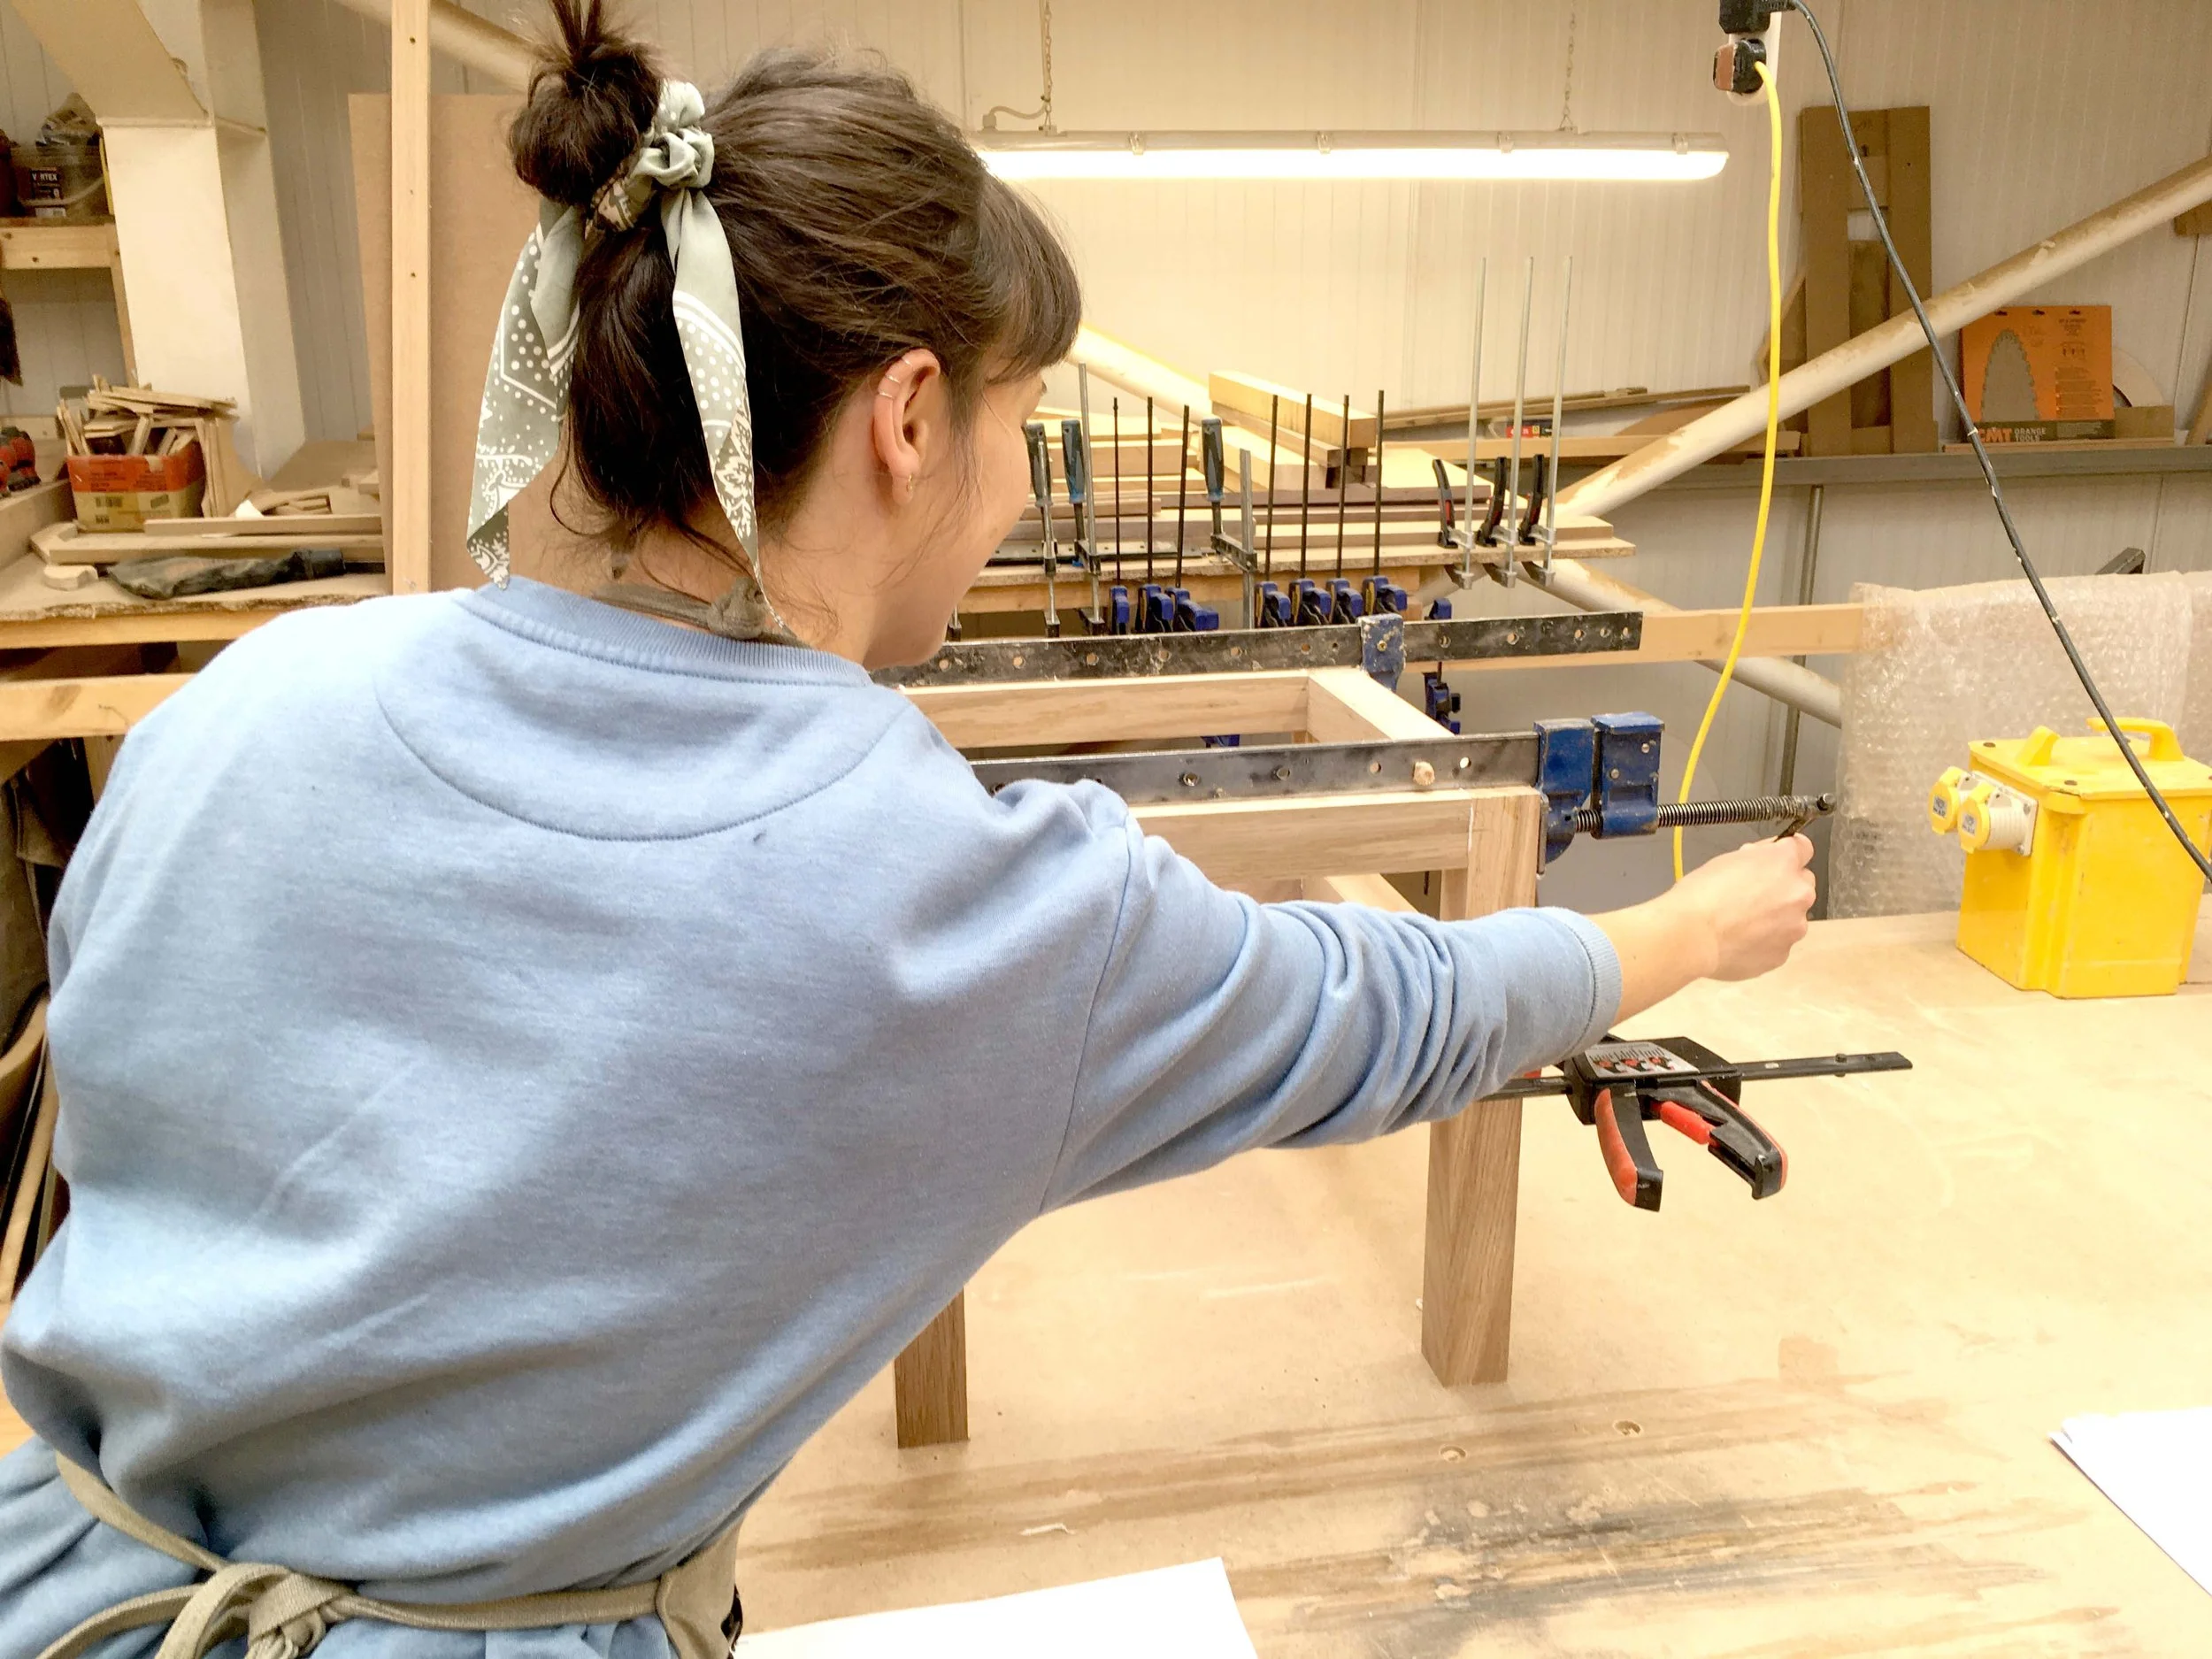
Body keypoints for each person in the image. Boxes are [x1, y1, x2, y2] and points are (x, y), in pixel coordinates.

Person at [0, 4, 1817, 1654]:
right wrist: (1678, 933)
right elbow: (1375, 1012)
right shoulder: (939, 903)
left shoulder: (240, 707)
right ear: (909, 417)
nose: (1022, 494)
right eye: (1024, 426)